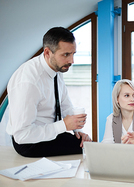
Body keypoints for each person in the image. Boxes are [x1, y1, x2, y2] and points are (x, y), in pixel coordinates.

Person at [6, 27, 91, 157]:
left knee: (87, 145)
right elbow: (22, 135)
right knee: (86, 150)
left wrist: (77, 131)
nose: (71, 61)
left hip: (51, 132)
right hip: (29, 142)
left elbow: (65, 105)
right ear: (47, 52)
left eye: (73, 53)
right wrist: (63, 125)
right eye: (66, 55)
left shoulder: (56, 68)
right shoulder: (28, 81)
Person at [102, 79, 134, 143]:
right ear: (117, 99)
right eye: (127, 95)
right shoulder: (111, 119)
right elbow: (106, 145)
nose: (132, 99)